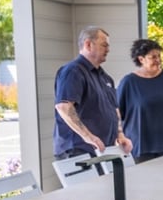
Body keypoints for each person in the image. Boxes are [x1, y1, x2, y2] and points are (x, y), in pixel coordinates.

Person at [53, 26, 133, 159]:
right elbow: (64, 107)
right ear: (88, 45)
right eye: (104, 45)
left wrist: (120, 135)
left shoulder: (105, 78)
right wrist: (88, 136)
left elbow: (114, 109)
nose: (108, 49)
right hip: (78, 151)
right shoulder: (73, 71)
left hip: (102, 150)